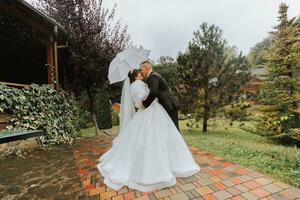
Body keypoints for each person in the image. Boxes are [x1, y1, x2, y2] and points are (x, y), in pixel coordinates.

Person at [97, 69, 200, 192]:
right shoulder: (138, 84)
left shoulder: (133, 86)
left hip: (148, 111)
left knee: (149, 138)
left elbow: (140, 101)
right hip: (149, 111)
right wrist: (150, 97)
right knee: (154, 138)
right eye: (140, 73)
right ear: (136, 77)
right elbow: (142, 100)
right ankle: (157, 169)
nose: (142, 74)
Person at [139, 61, 179, 130]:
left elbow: (154, 92)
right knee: (170, 128)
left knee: (174, 129)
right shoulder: (153, 76)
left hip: (169, 105)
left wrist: (145, 104)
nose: (140, 72)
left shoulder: (153, 76)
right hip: (168, 104)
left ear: (147, 67)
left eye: (141, 69)